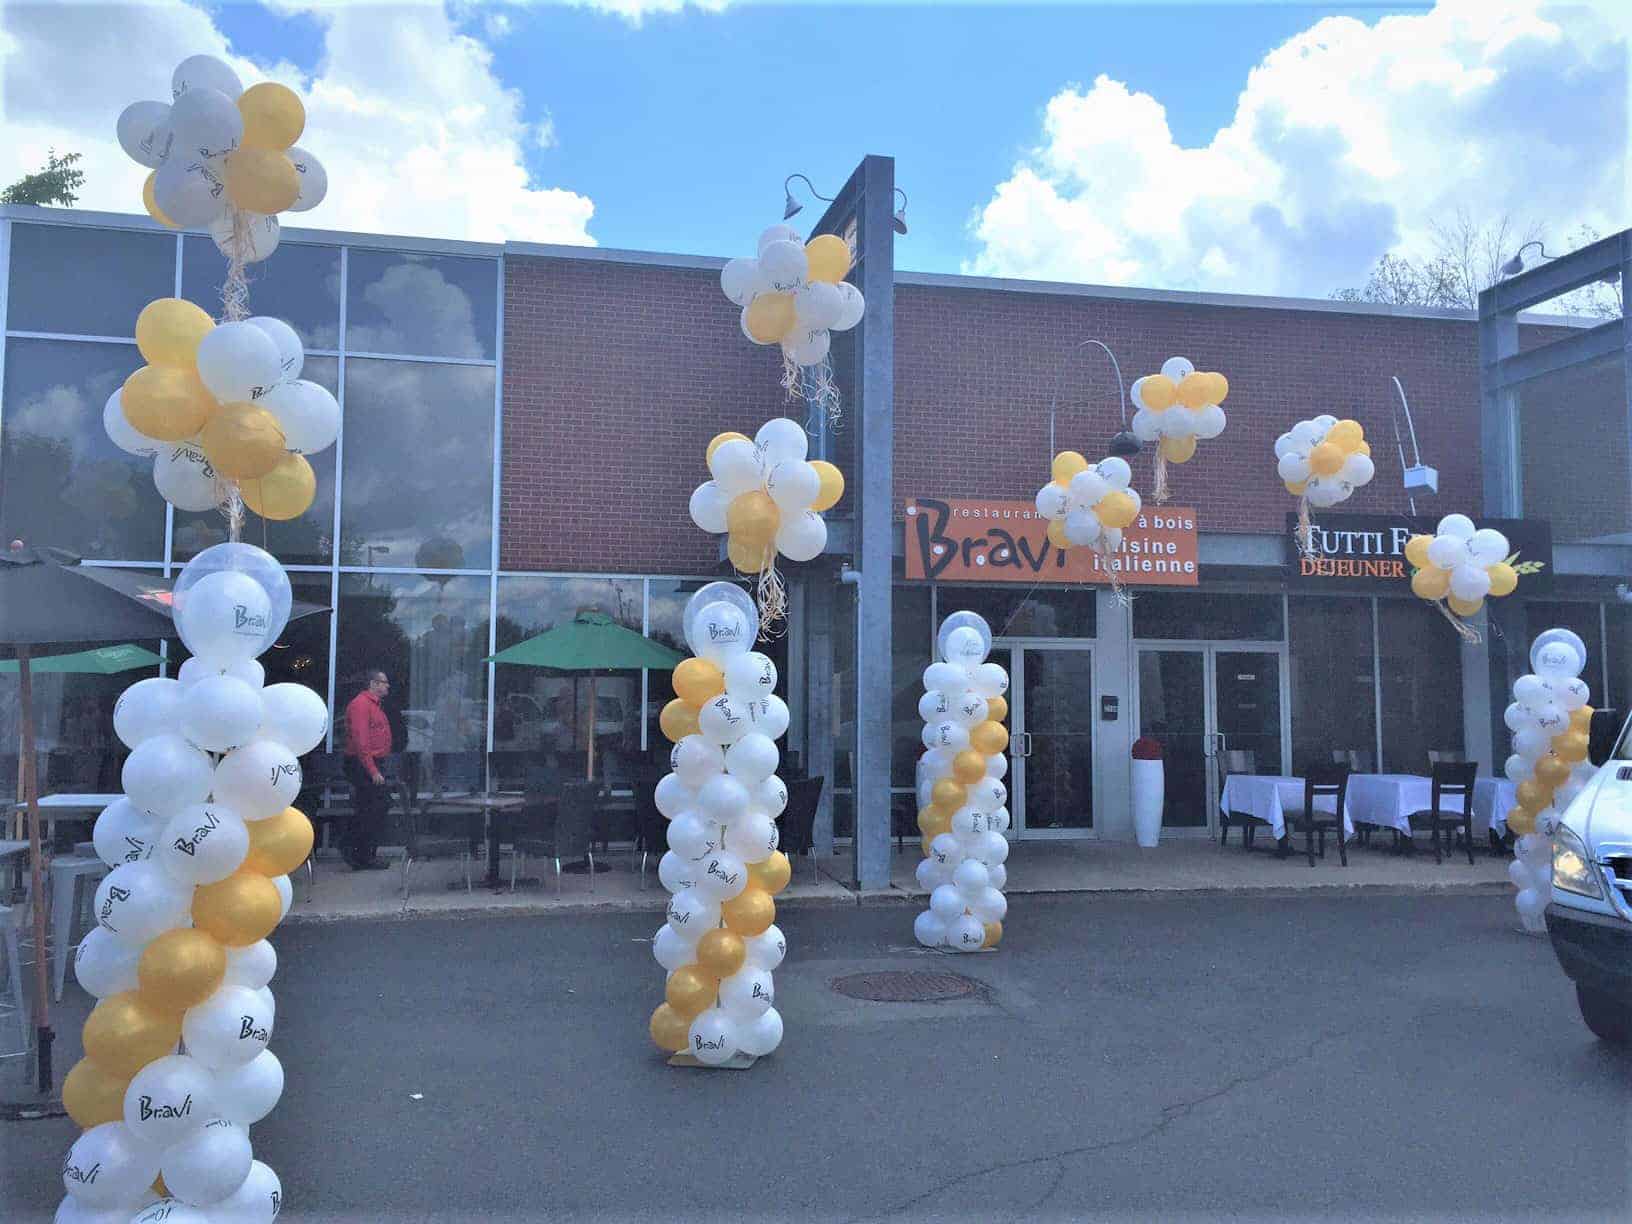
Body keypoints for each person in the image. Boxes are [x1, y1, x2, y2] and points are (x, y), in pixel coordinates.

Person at [343, 669, 394, 870]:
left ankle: (363, 853)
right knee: (372, 808)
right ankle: (357, 852)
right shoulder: (360, 705)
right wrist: (373, 770)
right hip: (361, 764)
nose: (387, 686)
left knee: (375, 807)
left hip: (370, 763)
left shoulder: (374, 705)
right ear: (373, 683)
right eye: (384, 682)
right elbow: (360, 741)